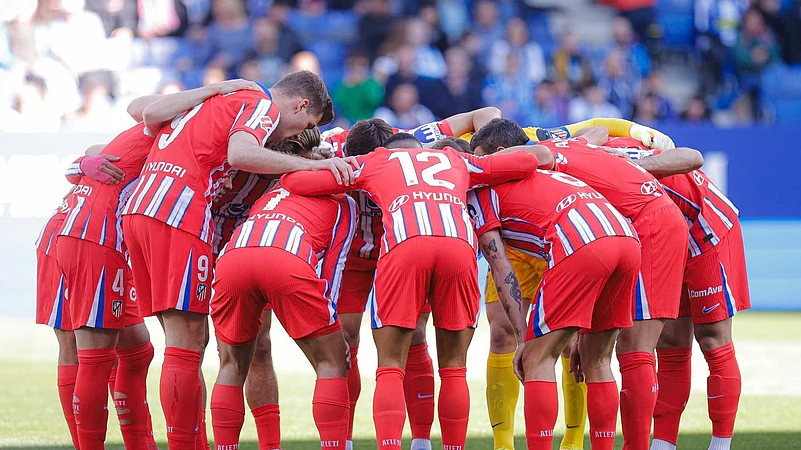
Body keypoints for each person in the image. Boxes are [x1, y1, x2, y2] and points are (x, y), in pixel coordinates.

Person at [121, 71, 344, 449]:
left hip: (142, 207)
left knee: (191, 341)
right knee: (188, 341)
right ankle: (186, 444)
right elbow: (240, 153)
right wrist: (312, 167)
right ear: (300, 104)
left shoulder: (221, 100)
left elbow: (142, 109)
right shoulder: (260, 104)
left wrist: (213, 88)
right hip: (179, 208)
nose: (293, 136)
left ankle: (196, 441)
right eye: (302, 125)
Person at [281, 132, 539, 450]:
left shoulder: (376, 160)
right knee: (455, 368)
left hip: (406, 245)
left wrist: (341, 167)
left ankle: (389, 444)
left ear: (383, 150)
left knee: (390, 364)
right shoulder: (453, 158)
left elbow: (295, 184)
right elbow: (527, 160)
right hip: (457, 246)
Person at [471, 119, 693, 450]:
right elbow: (599, 131)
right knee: (594, 355)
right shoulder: (574, 145)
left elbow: (539, 154)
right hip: (623, 230)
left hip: (637, 224)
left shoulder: (538, 158)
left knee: (628, 352)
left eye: (487, 159)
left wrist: (478, 166)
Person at [324, 107, 502, 450]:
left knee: (415, 335)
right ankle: (342, 441)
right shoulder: (332, 147)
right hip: (356, 253)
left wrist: (483, 154)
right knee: (342, 342)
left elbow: (487, 113)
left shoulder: (419, 139)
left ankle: (421, 441)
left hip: (408, 242)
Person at [467, 149, 642, 450]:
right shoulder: (547, 172)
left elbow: (501, 267)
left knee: (536, 358)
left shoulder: (478, 191)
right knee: (596, 359)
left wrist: (525, 341)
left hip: (578, 240)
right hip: (626, 238)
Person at [603, 137, 749, 450]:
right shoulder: (579, 167)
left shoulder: (609, 161)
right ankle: (664, 443)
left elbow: (693, 156)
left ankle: (720, 445)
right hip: (665, 238)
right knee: (668, 341)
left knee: (711, 338)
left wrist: (635, 166)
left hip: (706, 232)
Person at [209, 153, 358, 450]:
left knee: (231, 366)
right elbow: (334, 268)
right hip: (285, 256)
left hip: (233, 258)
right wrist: (334, 329)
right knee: (332, 362)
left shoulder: (275, 189)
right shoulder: (346, 202)